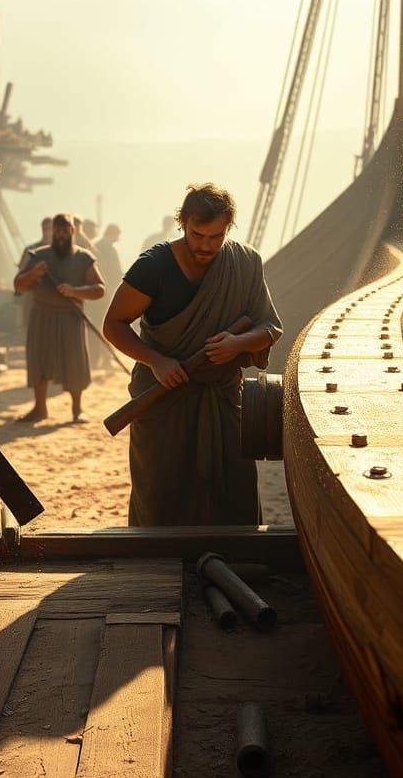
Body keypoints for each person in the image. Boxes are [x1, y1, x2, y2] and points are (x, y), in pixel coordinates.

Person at [104, 184, 281, 526]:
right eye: (197, 234)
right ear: (182, 223)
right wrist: (156, 361)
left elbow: (269, 327)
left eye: (216, 237)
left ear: (229, 228)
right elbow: (113, 324)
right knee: (161, 491)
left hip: (223, 397)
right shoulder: (153, 267)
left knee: (233, 489)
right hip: (162, 398)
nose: (205, 246)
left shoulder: (244, 263)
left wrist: (237, 344)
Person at [14, 213, 105, 423]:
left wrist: (75, 291)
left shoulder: (84, 257)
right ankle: (40, 408)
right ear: (52, 232)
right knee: (39, 361)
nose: (61, 234)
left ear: (73, 231)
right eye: (58, 230)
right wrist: (34, 273)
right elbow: (19, 285)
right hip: (42, 315)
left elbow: (99, 289)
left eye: (65, 230)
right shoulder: (37, 256)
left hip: (70, 316)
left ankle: (77, 409)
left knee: (75, 362)